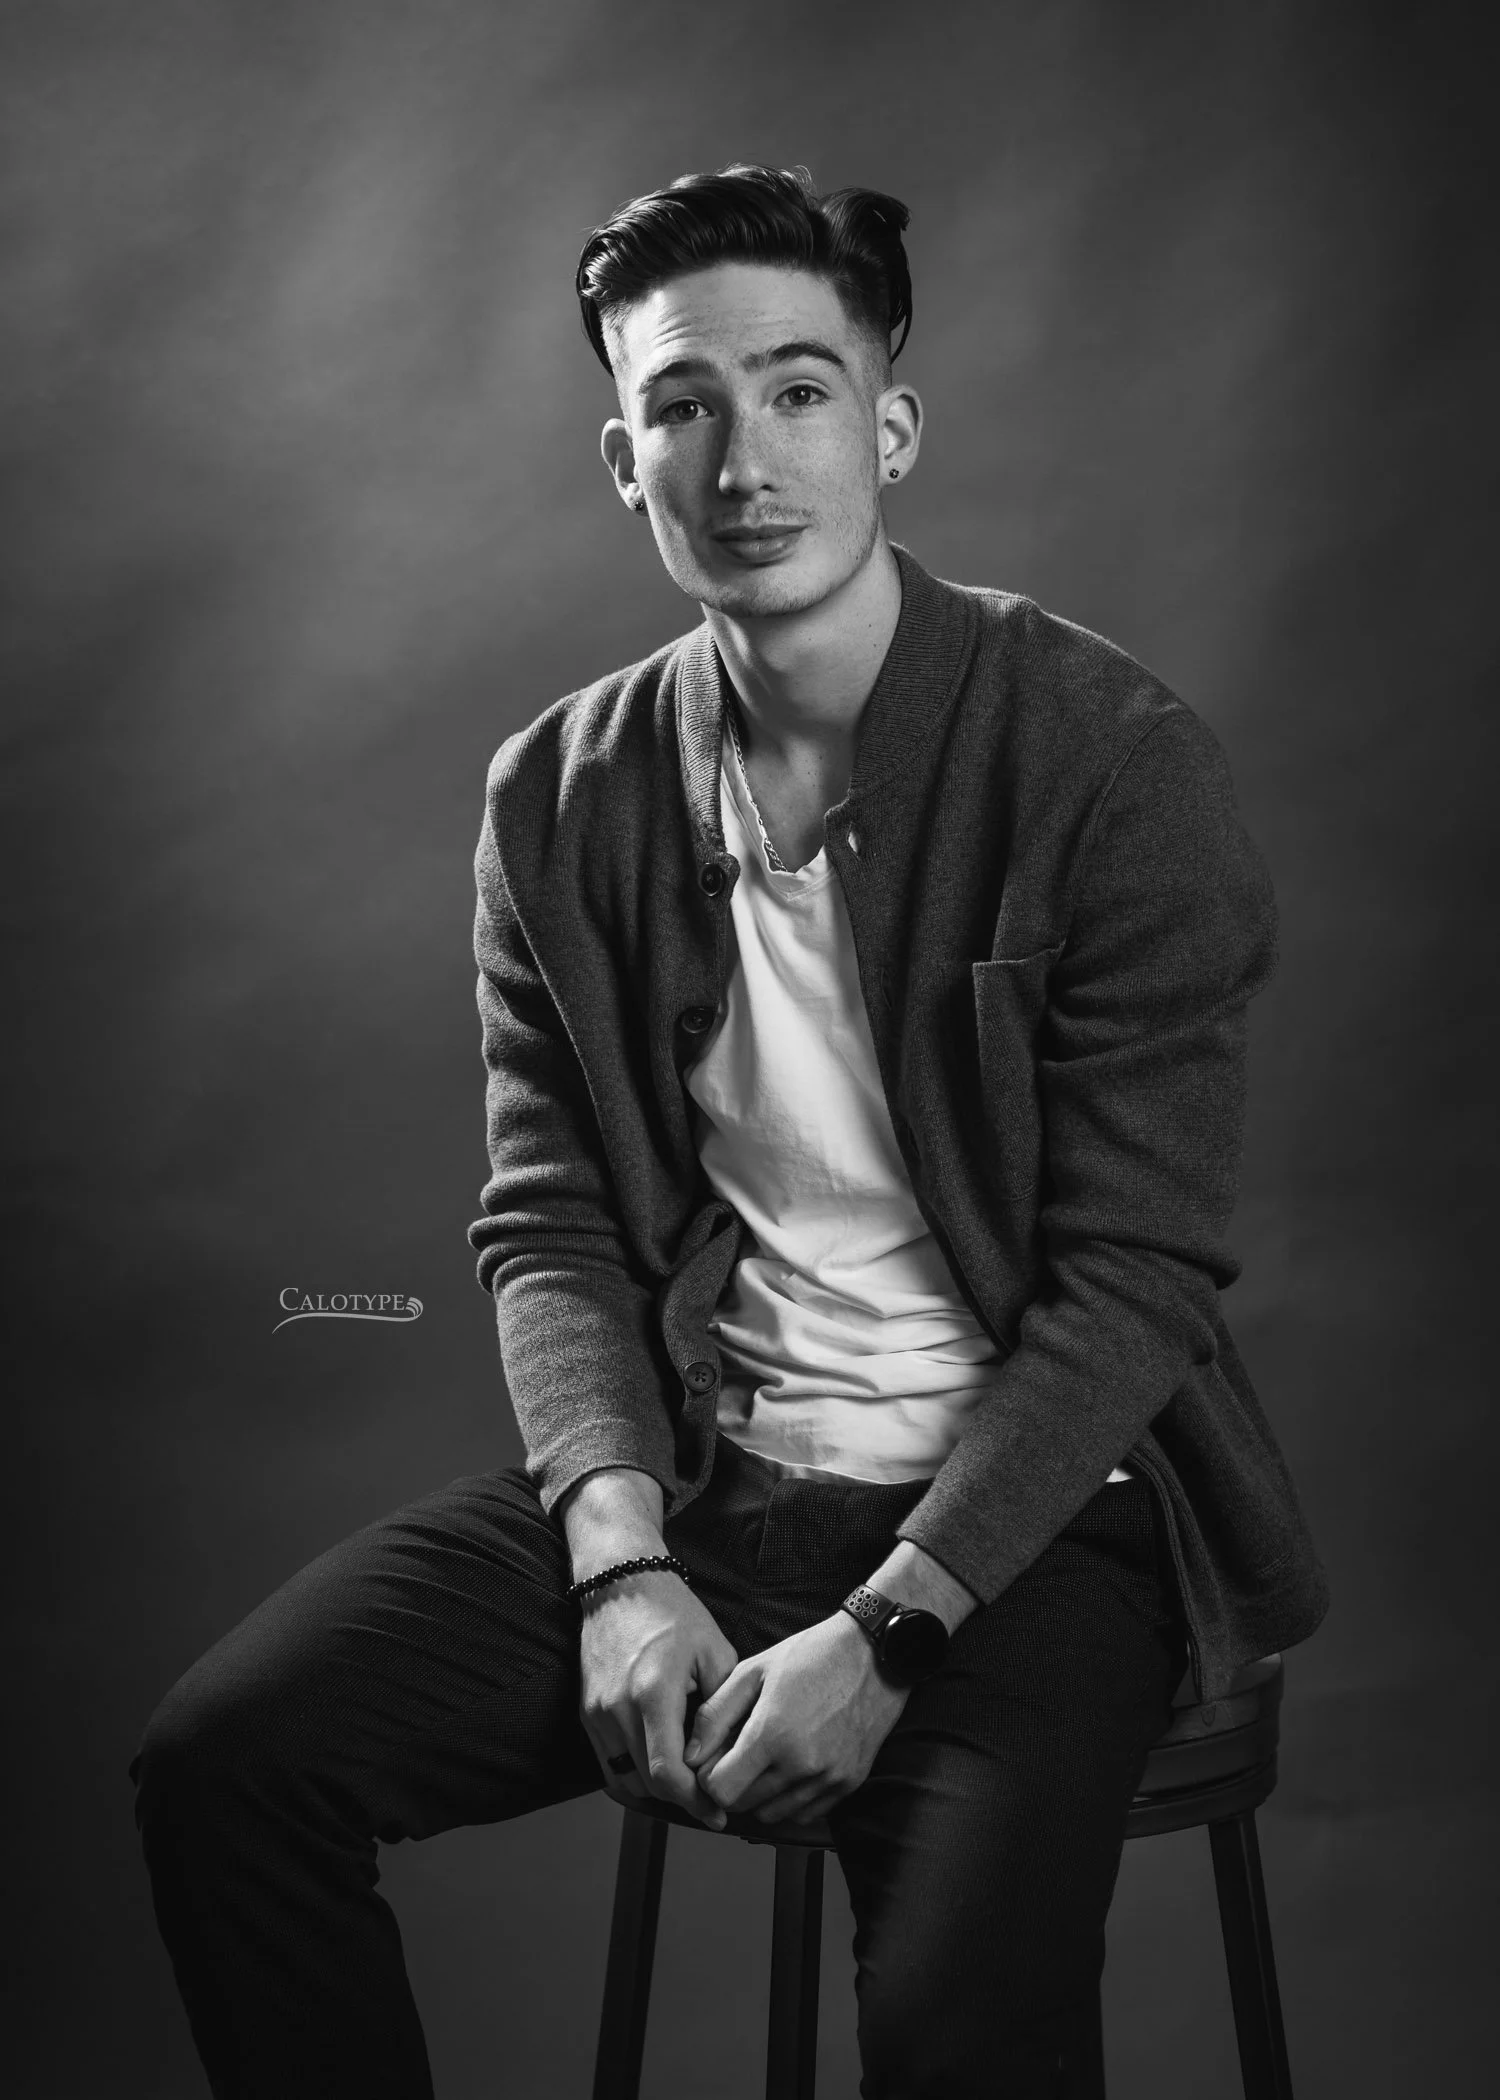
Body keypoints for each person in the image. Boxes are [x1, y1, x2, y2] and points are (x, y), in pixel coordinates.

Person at [132, 163, 1328, 2098]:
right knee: (229, 1767)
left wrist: (891, 1631)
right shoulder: (563, 792)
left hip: (1038, 1536)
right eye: (684, 406)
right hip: (711, 1481)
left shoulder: (1109, 762)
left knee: (956, 2035)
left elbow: (1137, 1281)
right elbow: (551, 1226)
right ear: (627, 461)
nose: (744, 459)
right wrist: (621, 1561)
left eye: (798, 390)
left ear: (890, 427)